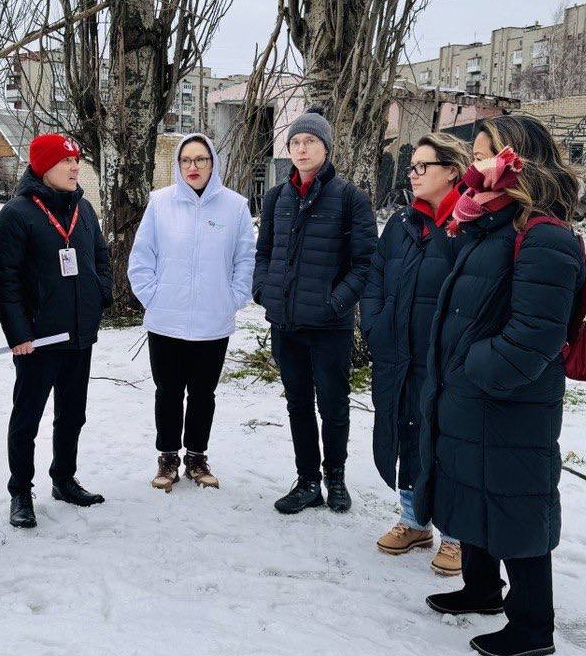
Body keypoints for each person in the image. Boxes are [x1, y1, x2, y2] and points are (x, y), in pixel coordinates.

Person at [412, 114, 585, 656]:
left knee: (515, 501)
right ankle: (482, 588)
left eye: (484, 153)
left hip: (508, 400)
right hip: (469, 392)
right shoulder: (489, 224)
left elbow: (535, 336)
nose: (474, 164)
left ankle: (533, 626)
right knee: (469, 487)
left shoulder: (546, 235)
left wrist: (476, 368)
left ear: (517, 159)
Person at [252, 108, 376, 514]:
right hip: (286, 324)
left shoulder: (351, 199)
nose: (301, 149)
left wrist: (335, 304)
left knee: (334, 405)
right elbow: (264, 253)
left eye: (310, 142)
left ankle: (335, 477)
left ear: (326, 147)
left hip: (329, 327)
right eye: (295, 143)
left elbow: (365, 264)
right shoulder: (277, 197)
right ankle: (307, 482)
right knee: (298, 404)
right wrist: (263, 291)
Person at [361, 132, 470, 576]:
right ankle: (413, 520)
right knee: (405, 431)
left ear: (452, 171)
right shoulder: (403, 223)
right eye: (412, 167)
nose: (413, 174)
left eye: (423, 166)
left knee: (446, 441)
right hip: (397, 352)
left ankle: (456, 535)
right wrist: (374, 323)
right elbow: (375, 275)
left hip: (443, 360)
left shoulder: (468, 225)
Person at [0, 132, 112, 528]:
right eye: (66, 162)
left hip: (78, 333)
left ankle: (64, 478)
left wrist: (100, 296)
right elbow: (4, 281)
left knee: (72, 413)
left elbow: (101, 255)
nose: (75, 167)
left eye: (77, 160)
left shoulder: (85, 209)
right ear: (44, 168)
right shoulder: (18, 213)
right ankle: (21, 492)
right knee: (27, 417)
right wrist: (18, 334)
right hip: (38, 339)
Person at [128, 133, 256, 491]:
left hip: (213, 323)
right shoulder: (161, 202)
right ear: (177, 164)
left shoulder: (234, 207)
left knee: (203, 394)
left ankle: (197, 457)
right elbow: (141, 258)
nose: (193, 167)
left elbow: (245, 260)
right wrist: (153, 297)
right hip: (166, 319)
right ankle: (168, 457)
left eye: (201, 160)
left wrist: (230, 299)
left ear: (213, 163)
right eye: (186, 160)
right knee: (167, 391)